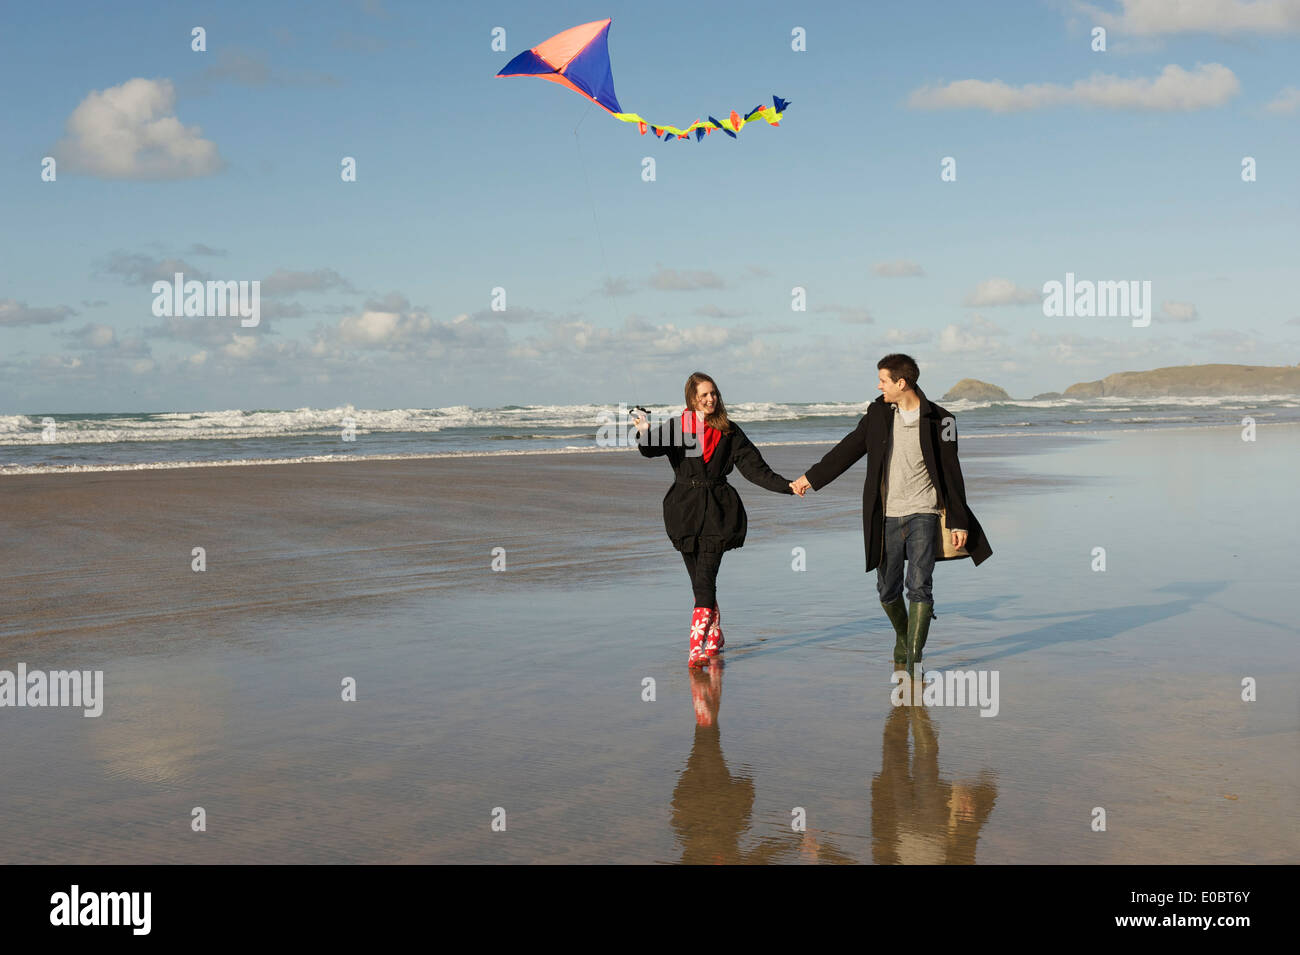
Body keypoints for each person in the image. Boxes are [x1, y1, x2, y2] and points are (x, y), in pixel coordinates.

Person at [790, 354, 992, 675]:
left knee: (920, 586)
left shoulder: (944, 421)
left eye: (883, 380)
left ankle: (913, 660)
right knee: (887, 589)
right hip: (886, 516)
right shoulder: (877, 415)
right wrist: (810, 479)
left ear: (901, 383)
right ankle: (903, 634)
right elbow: (848, 449)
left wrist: (958, 521)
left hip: (924, 513)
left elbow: (952, 475)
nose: (878, 385)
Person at [634, 372, 794, 667]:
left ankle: (696, 649)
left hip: (719, 511)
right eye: (704, 395)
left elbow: (755, 469)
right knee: (700, 582)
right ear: (692, 398)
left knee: (705, 579)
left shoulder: (729, 431)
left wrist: (787, 486)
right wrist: (643, 428)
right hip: (684, 511)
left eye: (713, 394)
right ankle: (716, 635)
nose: (710, 399)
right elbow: (649, 449)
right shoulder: (679, 427)